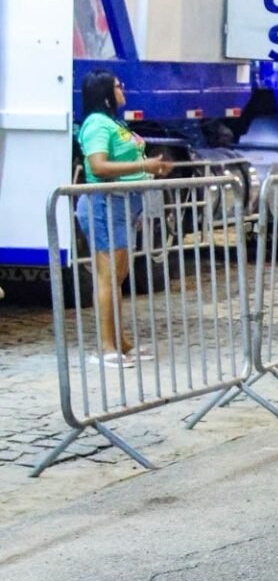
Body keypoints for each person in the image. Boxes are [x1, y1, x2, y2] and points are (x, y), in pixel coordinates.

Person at [74, 70, 174, 364]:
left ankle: (121, 341)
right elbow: (98, 166)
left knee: (117, 277)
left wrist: (149, 169)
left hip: (123, 204)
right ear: (105, 92)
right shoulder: (96, 125)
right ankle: (107, 346)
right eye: (118, 86)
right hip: (105, 203)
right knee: (108, 277)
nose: (123, 90)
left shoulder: (112, 123)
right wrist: (144, 166)